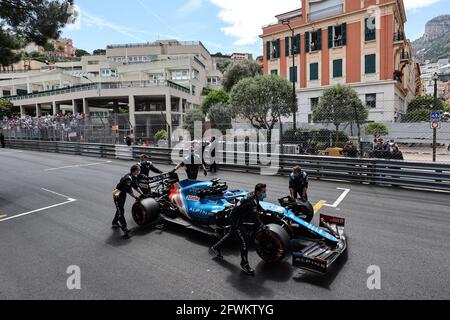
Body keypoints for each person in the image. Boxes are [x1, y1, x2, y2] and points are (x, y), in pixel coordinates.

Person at [210, 183, 268, 276]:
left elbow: (257, 205)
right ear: (258, 192)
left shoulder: (254, 195)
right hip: (236, 219)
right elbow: (255, 218)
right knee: (245, 241)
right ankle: (244, 264)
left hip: (237, 215)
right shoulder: (251, 201)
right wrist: (262, 225)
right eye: (263, 192)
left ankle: (216, 247)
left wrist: (264, 211)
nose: (265, 193)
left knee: (231, 234)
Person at [112, 165, 144, 238]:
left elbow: (135, 186)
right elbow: (129, 190)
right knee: (121, 211)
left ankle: (114, 222)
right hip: (117, 194)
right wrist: (135, 197)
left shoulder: (132, 177)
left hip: (122, 194)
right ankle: (125, 229)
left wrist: (142, 194)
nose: (139, 171)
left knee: (119, 209)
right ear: (135, 170)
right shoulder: (128, 178)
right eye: (138, 170)